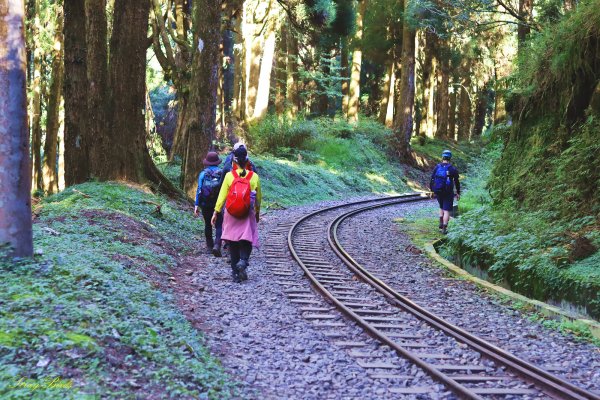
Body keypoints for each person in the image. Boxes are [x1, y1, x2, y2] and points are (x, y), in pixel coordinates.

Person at [212, 146, 261, 283]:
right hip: (247, 213)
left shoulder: (229, 176)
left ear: (234, 161)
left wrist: (216, 212)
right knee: (247, 240)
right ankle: (243, 261)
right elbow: (258, 198)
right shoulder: (254, 177)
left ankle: (235, 274)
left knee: (233, 243)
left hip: (231, 213)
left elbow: (222, 196)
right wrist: (257, 212)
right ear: (247, 161)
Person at [194, 151, 224, 256]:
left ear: (207, 162)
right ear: (217, 162)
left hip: (205, 203)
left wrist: (196, 205)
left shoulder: (203, 173)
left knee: (207, 224)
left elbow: (199, 190)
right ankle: (217, 245)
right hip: (218, 204)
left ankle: (209, 246)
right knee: (219, 224)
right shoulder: (221, 173)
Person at [430, 150, 460, 234]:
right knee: (446, 210)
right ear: (450, 158)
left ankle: (440, 222)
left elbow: (432, 179)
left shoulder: (437, 167)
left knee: (441, 206)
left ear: (442, 157)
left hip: (438, 190)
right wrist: (458, 192)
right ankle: (444, 228)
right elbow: (457, 181)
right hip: (448, 192)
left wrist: (432, 190)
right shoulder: (452, 169)